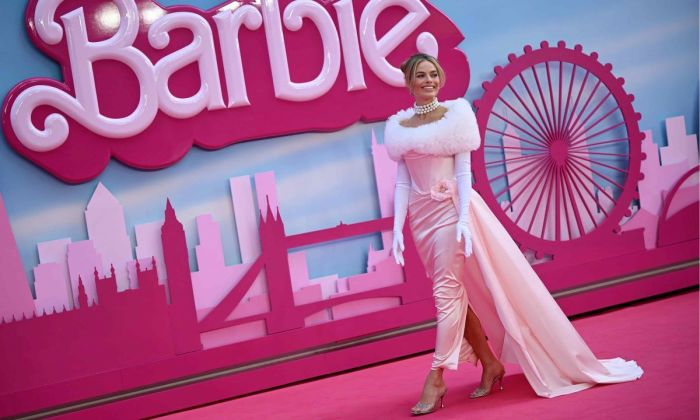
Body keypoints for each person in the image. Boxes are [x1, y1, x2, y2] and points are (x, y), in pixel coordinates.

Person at [383, 53, 644, 416]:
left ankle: (436, 377)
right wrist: (396, 227)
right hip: (420, 219)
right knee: (458, 294)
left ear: (439, 79)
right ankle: (490, 363)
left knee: (447, 294)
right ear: (408, 82)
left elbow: (463, 175)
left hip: (452, 213)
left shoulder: (457, 116)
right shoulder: (398, 127)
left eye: (433, 74)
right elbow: (401, 182)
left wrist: (461, 220)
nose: (429, 80)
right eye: (420, 76)